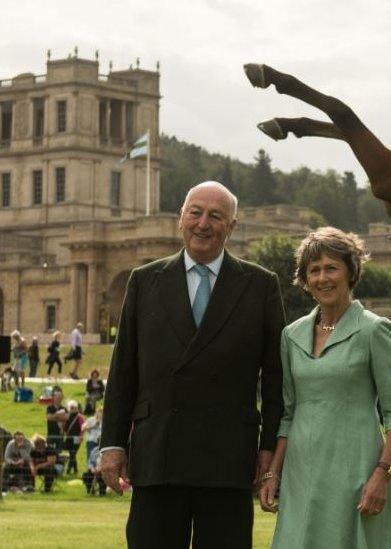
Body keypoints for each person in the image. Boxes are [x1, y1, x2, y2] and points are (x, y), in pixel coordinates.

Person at [100, 181, 285, 549]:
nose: (204, 223)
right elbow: (123, 372)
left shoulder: (261, 285)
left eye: (216, 216)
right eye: (195, 212)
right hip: (158, 454)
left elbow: (278, 380)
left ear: (231, 227)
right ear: (180, 219)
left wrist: (269, 452)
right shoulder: (144, 280)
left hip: (230, 457)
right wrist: (112, 445)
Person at [259, 227, 391, 548]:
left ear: (351, 272)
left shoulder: (375, 330)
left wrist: (381, 475)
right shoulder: (291, 335)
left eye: (332, 267)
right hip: (302, 472)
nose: (322, 278)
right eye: (314, 270)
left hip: (357, 471)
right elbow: (288, 414)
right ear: (305, 278)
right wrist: (273, 473)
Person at [62, 400, 84, 475]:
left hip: (77, 438)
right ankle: (75, 470)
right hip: (69, 438)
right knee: (72, 454)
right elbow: (65, 427)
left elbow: (82, 428)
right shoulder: (68, 416)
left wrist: (81, 436)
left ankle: (69, 470)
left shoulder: (80, 417)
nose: (72, 409)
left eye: (74, 407)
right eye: (71, 407)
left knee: (72, 453)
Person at [44, 387, 67, 454]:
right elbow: (48, 417)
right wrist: (58, 415)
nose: (58, 398)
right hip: (51, 434)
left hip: (60, 435)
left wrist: (54, 417)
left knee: (59, 452)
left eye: (60, 397)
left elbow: (66, 418)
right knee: (49, 452)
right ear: (53, 397)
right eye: (57, 397)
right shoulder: (49, 408)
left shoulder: (64, 408)